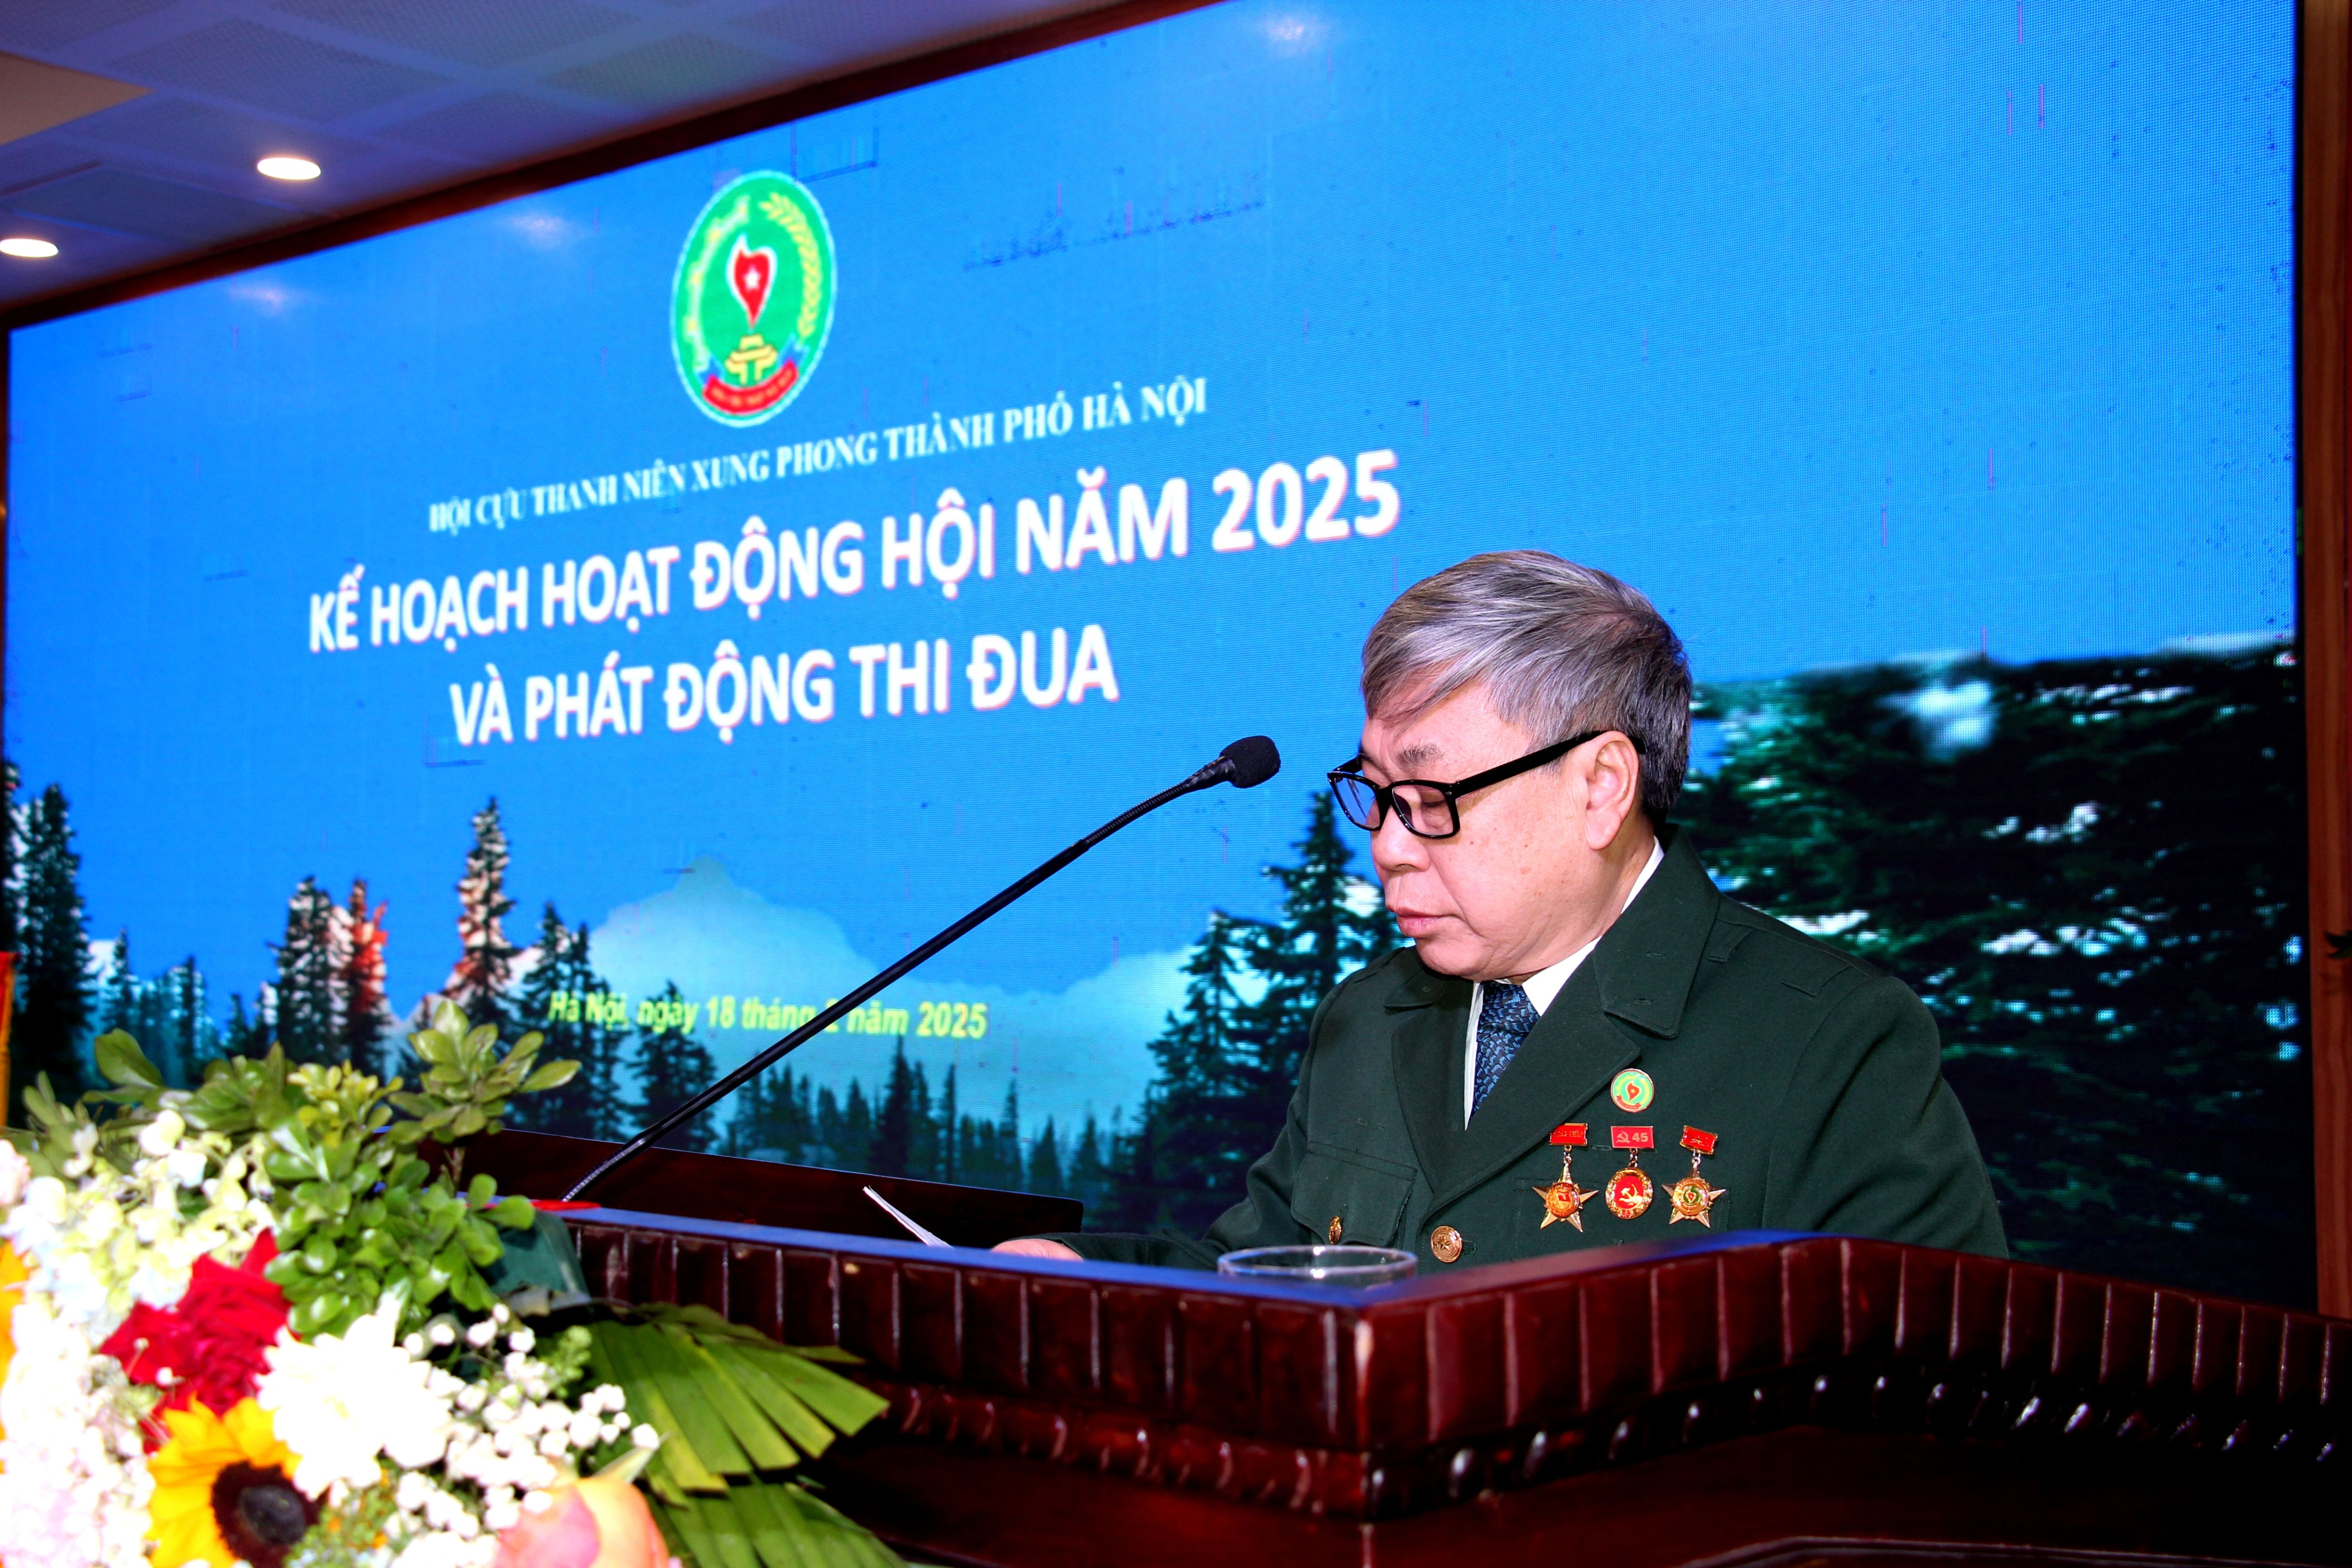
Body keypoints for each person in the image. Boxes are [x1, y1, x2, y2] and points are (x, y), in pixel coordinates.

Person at [998, 551, 2005, 1271]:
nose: (1389, 844)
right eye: (1377, 791)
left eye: (1433, 797)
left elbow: (1929, 1412)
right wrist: (1074, 1270)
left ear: (1601, 787)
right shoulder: (1369, 1015)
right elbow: (1261, 1276)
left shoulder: (1829, 1041)